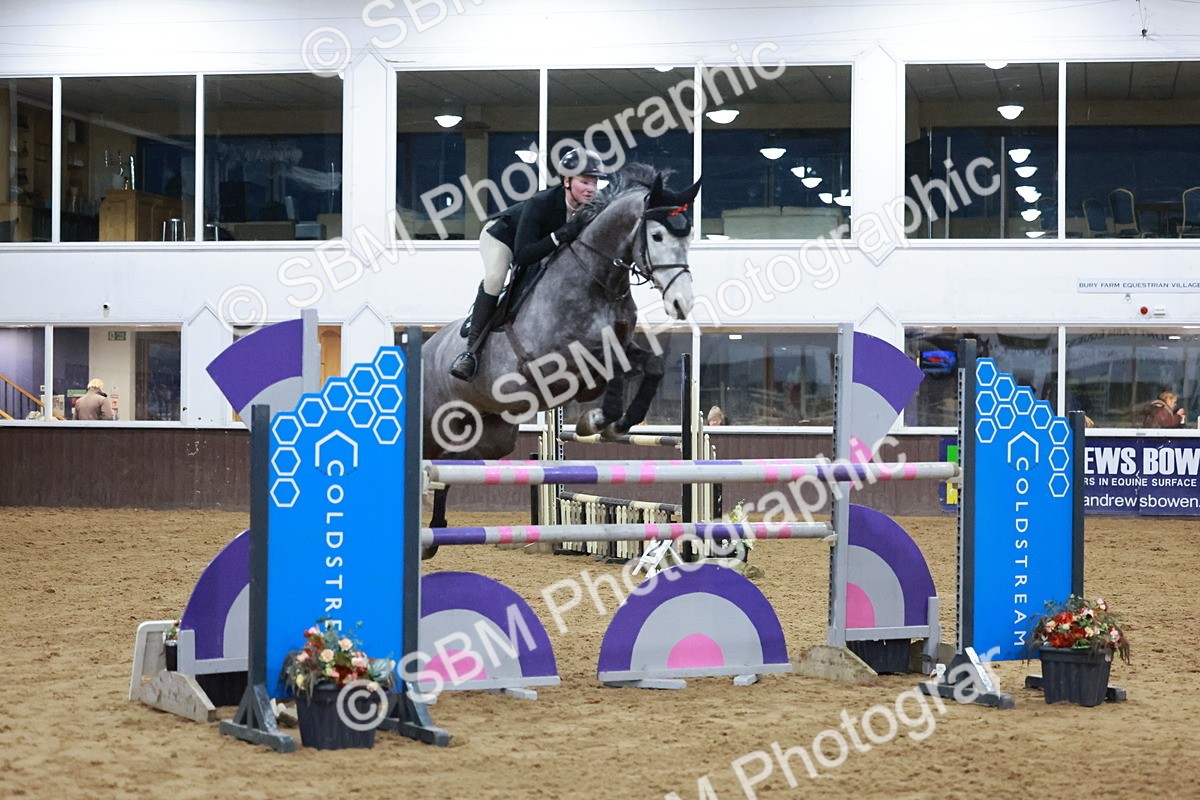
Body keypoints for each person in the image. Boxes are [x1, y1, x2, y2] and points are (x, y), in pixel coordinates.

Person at [449, 147, 607, 381]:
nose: (591, 189)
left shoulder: (593, 209)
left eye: (594, 183)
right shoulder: (540, 203)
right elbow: (522, 255)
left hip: (539, 247)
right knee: (495, 279)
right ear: (566, 180)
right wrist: (560, 234)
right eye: (585, 182)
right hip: (503, 238)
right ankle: (470, 353)